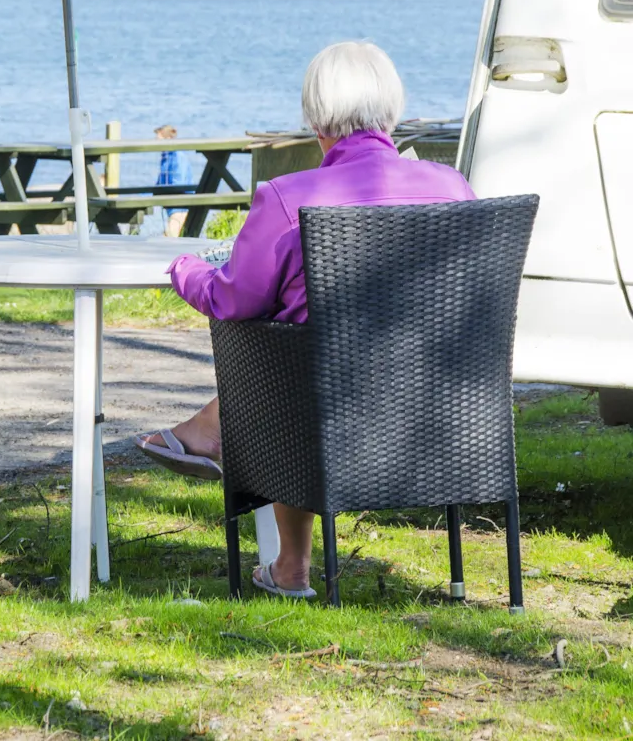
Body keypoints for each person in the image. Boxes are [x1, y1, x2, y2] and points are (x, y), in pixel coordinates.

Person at [137, 41, 475, 599]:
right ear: (391, 112)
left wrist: (184, 268)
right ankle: (210, 432)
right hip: (443, 405)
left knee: (281, 344)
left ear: (316, 120)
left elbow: (232, 300)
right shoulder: (452, 187)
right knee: (312, 336)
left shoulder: (289, 198)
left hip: (321, 413)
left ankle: (274, 535)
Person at [155, 125, 193, 237]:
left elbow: (178, 182)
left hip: (180, 206)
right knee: (168, 235)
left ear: (167, 139)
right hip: (171, 206)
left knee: (170, 236)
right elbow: (159, 183)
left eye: (158, 140)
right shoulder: (165, 157)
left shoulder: (177, 156)